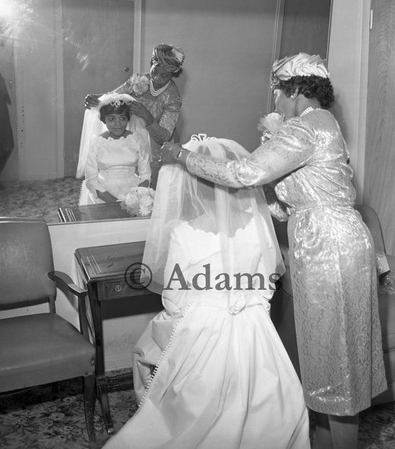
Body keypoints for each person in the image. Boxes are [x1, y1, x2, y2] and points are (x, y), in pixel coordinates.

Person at [159, 53, 387, 449]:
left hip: (329, 247)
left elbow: (241, 173)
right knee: (323, 358)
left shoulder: (309, 126)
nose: (276, 105)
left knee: (336, 369)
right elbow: (284, 203)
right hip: (326, 241)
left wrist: (182, 155)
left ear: (296, 90)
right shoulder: (320, 125)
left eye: (278, 95)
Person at [102, 135, 310, 449]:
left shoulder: (184, 233)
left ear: (192, 188)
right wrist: (251, 311)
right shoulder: (257, 225)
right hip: (255, 327)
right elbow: (268, 281)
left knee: (156, 358)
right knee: (271, 403)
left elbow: (174, 299)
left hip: (201, 328)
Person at [84, 43, 185, 188]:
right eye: (155, 70)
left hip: (156, 147)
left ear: (173, 74)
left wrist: (146, 115)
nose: (156, 77)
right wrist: (97, 99)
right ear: (152, 63)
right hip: (132, 137)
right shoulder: (140, 80)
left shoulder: (173, 97)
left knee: (149, 189)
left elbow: (163, 137)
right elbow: (115, 95)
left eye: (164, 75)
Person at [76, 93, 151, 205]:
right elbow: (91, 179)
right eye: (111, 119)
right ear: (103, 120)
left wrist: (134, 199)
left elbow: (145, 175)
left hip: (133, 194)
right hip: (103, 194)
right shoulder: (96, 143)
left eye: (123, 118)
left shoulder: (137, 139)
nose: (118, 124)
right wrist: (115, 203)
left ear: (128, 119)